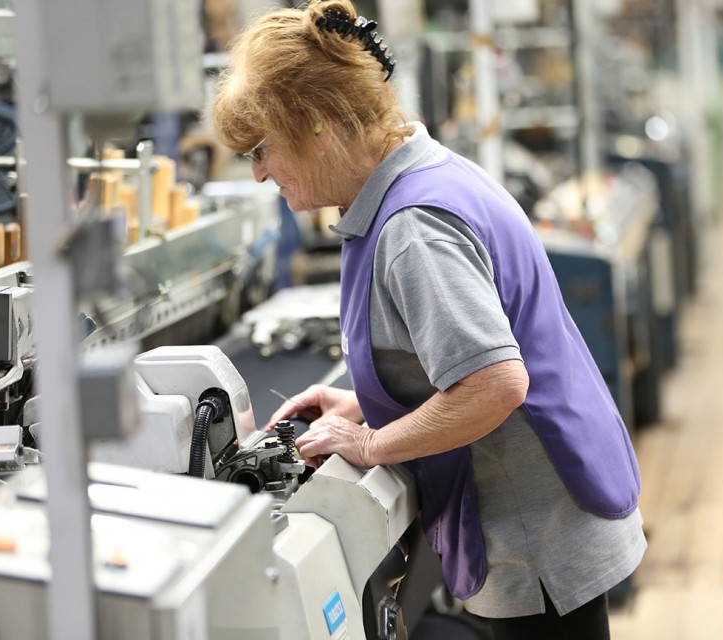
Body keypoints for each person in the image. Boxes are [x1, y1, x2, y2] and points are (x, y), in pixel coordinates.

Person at [211, 2, 646, 638]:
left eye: (260, 149)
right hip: (549, 509)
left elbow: (496, 383)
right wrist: (365, 401)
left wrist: (369, 444)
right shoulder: (422, 171)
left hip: (538, 534)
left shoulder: (414, 229)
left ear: (315, 125)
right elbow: (451, 350)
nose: (257, 173)